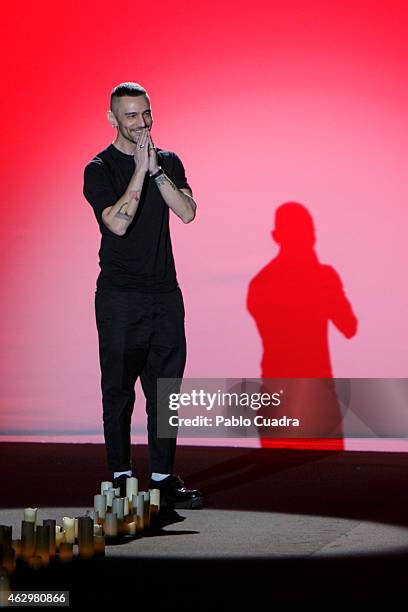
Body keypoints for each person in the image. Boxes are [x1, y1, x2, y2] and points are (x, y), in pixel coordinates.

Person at [82, 81, 203, 509]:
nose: (141, 123)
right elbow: (116, 223)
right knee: (118, 391)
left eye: (145, 114)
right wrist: (136, 170)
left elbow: (187, 213)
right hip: (119, 297)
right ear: (112, 118)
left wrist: (153, 169)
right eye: (131, 115)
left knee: (166, 391)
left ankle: (163, 477)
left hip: (164, 297)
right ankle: (119, 476)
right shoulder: (98, 168)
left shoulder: (167, 162)